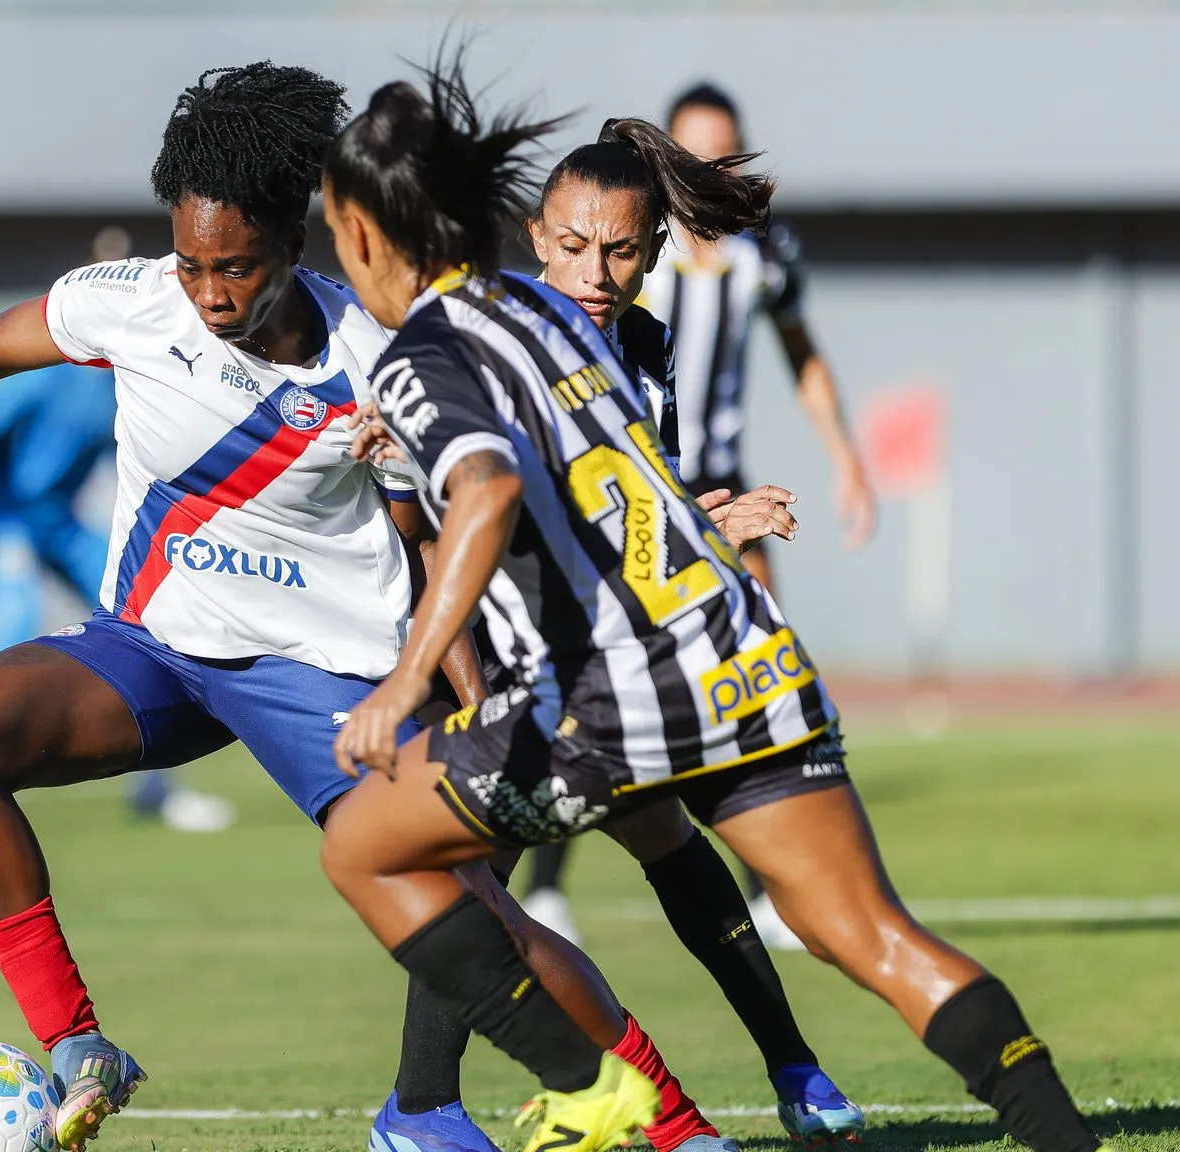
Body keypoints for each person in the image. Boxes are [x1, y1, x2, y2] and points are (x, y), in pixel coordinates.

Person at [0, 62, 737, 1152]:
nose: (208, 293)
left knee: (474, 909)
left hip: (319, 677)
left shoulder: (373, 358)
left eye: (235, 267)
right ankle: (80, 1049)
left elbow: (434, 537)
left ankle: (680, 1130)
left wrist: (473, 704)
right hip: (155, 651)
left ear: (291, 245)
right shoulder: (131, 303)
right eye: (190, 264)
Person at [320, 58, 1116, 1152]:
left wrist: (408, 678)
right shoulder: (561, 328)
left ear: (359, 233)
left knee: (365, 848)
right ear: (517, 227)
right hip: (745, 654)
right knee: (871, 936)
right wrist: (712, 526)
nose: (597, 268)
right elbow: (613, 491)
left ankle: (585, 1094)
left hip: (600, 694)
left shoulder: (433, 347)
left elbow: (494, 490)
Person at [513, 122, 864, 1145]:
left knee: (652, 843)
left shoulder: (643, 345)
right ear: (536, 236)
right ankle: (425, 1109)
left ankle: (791, 1073)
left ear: (653, 252)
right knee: (461, 887)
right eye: (573, 245)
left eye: (619, 250)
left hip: (593, 644)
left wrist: (705, 522)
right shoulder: (496, 338)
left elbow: (634, 509)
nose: (594, 270)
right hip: (493, 647)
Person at [642, 83, 879, 953]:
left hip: (732, 489)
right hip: (648, 488)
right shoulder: (635, 243)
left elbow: (802, 356)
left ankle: (770, 884)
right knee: (623, 664)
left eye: (724, 154)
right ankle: (547, 883)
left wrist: (848, 460)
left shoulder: (764, 252)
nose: (708, 169)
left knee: (761, 668)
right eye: (693, 153)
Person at [0, 230, 234, 836]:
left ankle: (156, 789)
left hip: (56, 519)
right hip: (5, 514)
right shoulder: (50, 369)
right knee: (11, 622)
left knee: (153, 619)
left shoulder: (132, 376)